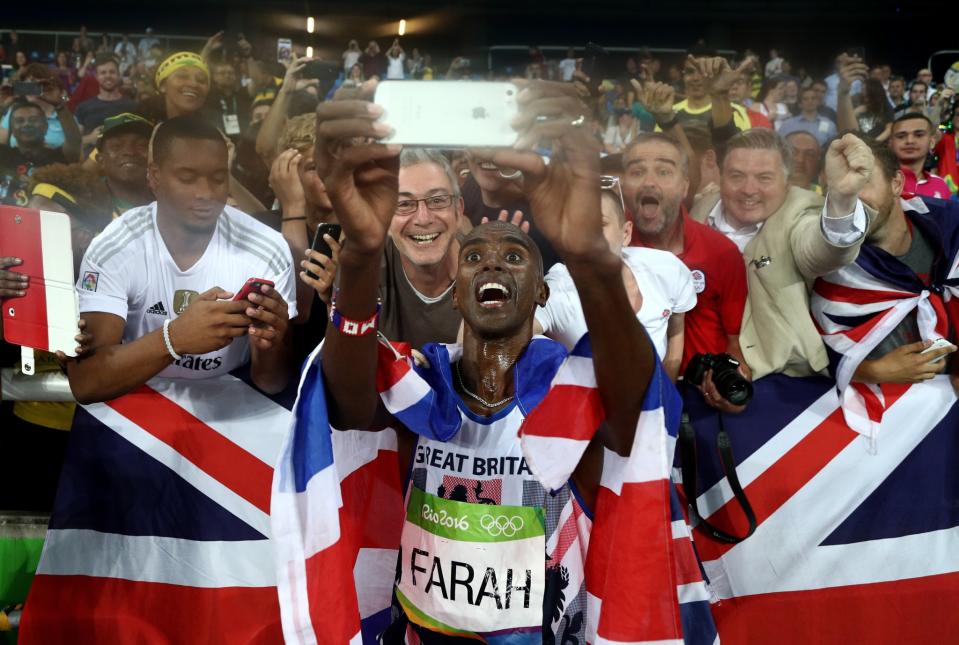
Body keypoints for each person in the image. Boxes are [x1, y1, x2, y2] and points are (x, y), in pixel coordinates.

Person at [316, 78, 659, 643]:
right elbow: (349, 408)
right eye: (473, 256)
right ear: (457, 291)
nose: (493, 265)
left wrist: (590, 258)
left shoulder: (567, 390)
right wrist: (359, 255)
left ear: (542, 291)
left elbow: (637, 417)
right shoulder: (425, 383)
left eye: (515, 256)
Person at [65, 116, 296, 404]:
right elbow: (87, 382)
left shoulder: (267, 248)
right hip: (135, 405)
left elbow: (271, 383)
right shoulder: (115, 247)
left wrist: (270, 347)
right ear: (154, 177)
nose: (206, 193)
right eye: (187, 178)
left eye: (218, 178)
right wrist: (175, 339)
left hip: (233, 411)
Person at [690, 128, 875, 379]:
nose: (748, 189)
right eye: (736, 176)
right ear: (721, 176)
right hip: (697, 370)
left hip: (780, 378)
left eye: (764, 178)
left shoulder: (800, 212)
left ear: (786, 183)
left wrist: (842, 200)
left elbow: (822, 252)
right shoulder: (701, 207)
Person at [811, 141, 959, 429]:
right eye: (837, 188)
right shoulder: (824, 260)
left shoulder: (950, 230)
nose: (849, 197)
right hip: (882, 426)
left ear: (896, 182)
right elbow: (803, 350)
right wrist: (869, 370)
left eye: (862, 181)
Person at [0, 164, 107, 511]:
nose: (28, 232)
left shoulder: (111, 283)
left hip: (98, 438)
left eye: (43, 225)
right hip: (26, 435)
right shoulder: (10, 277)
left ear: (83, 236)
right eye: (24, 221)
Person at [623, 132, 749, 408]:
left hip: (701, 401)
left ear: (684, 186)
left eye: (664, 171)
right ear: (622, 184)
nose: (649, 181)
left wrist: (734, 387)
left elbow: (734, 342)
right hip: (628, 399)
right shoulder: (603, 252)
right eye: (637, 171)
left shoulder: (722, 252)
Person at [535, 175, 696, 380]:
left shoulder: (668, 269)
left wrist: (667, 388)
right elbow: (511, 336)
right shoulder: (556, 290)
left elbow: (677, 324)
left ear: (626, 233)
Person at [462, 152, 560, 270]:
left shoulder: (544, 211)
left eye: (500, 141)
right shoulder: (473, 181)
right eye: (478, 139)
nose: (486, 153)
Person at [0, 100, 78, 205]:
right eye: (19, 121)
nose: (26, 124)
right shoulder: (4, 155)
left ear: (45, 127)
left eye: (33, 120)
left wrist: (59, 105)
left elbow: (74, 141)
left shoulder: (57, 158)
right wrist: (2, 107)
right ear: (12, 130)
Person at [0, 64, 80, 154]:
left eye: (36, 82)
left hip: (54, 165)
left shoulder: (65, 117)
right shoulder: (15, 113)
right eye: (27, 84)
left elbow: (76, 152)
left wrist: (59, 104)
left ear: (47, 85)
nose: (31, 87)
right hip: (17, 165)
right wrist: (1, 108)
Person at [672, 53, 752, 132]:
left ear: (715, 74)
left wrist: (720, 93)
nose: (695, 78)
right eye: (690, 72)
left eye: (701, 71)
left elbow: (738, 144)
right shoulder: (669, 113)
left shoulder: (735, 111)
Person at [95, 112, 154, 217]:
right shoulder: (86, 202)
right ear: (101, 160)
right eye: (116, 146)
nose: (129, 152)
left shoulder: (170, 200)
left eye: (141, 145)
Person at [74, 54, 138, 147]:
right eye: (103, 73)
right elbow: (72, 144)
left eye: (112, 72)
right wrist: (90, 139)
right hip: (90, 159)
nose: (108, 76)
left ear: (118, 75)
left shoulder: (133, 107)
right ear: (96, 77)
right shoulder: (83, 108)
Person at [889, 113, 953, 200]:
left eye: (919, 135)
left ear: (932, 142)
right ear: (891, 144)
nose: (910, 141)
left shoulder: (940, 185)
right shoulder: (880, 181)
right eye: (901, 136)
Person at [142, 52, 210, 122]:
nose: (194, 84)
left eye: (201, 79)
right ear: (163, 85)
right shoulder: (138, 126)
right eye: (183, 76)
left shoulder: (214, 129)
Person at [206, 60, 251, 141]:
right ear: (214, 77)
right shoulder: (209, 97)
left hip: (242, 140)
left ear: (235, 76)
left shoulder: (242, 96)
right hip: (216, 140)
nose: (227, 75)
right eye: (222, 73)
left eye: (230, 73)